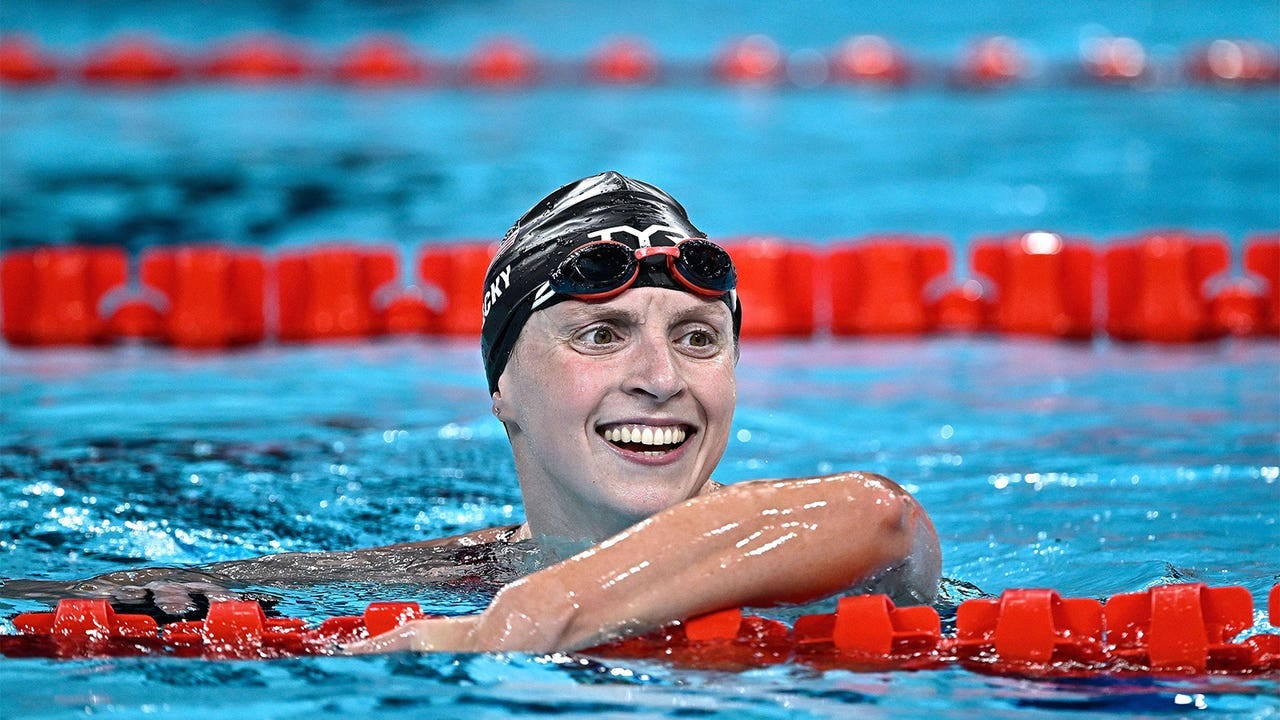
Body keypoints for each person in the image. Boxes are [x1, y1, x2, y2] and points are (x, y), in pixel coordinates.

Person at [4, 172, 941, 655]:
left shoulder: (823, 552)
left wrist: (526, 623)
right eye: (602, 334)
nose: (662, 377)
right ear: (502, 388)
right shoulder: (465, 571)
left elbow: (880, 516)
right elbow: (169, 591)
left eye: (700, 339)